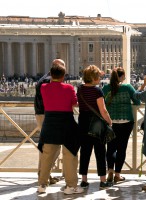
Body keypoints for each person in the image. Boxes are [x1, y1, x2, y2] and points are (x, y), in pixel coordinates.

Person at [37, 59, 83, 194]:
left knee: (47, 156)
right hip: (66, 123)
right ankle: (71, 186)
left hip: (50, 123)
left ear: (51, 74)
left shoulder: (43, 88)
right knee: (70, 155)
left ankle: (42, 184)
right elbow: (75, 103)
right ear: (64, 76)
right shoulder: (68, 88)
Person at [76, 65, 113, 189]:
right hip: (96, 124)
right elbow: (103, 110)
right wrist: (109, 121)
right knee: (100, 151)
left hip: (83, 122)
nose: (100, 78)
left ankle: (84, 179)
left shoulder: (80, 89)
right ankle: (102, 180)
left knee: (85, 151)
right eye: (98, 76)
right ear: (93, 78)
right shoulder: (97, 91)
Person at [102, 67, 141, 183]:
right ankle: (117, 174)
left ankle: (110, 170)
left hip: (111, 121)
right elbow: (137, 101)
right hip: (126, 121)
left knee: (111, 148)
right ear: (121, 76)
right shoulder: (127, 88)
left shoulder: (106, 88)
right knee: (121, 148)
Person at [34, 59, 65, 185]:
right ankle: (43, 174)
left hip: (45, 115)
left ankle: (45, 174)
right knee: (50, 147)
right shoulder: (48, 81)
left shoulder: (45, 79)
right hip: (47, 116)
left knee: (48, 146)